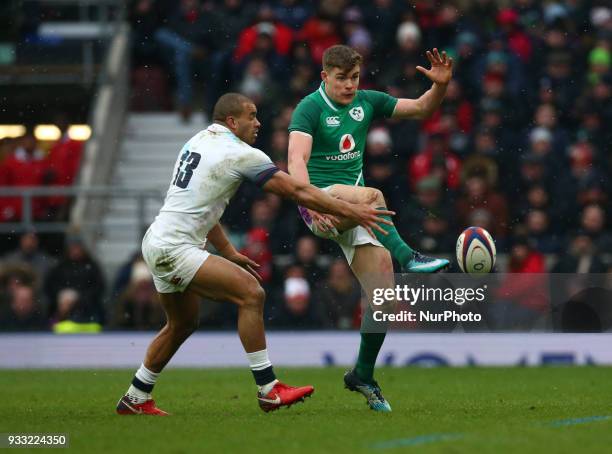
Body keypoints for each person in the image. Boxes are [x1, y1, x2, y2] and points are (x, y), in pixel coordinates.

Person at [116, 93, 394, 415]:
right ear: (232, 122)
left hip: (158, 239)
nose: (258, 122)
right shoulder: (239, 153)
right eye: (251, 116)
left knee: (181, 324)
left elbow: (202, 209)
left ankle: (136, 396)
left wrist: (229, 251)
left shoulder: (197, 142)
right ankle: (268, 389)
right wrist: (352, 210)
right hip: (176, 247)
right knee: (251, 294)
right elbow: (298, 191)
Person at [287, 44, 453, 411]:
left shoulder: (367, 101)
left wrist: (440, 86)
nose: (349, 86)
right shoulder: (309, 109)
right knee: (375, 195)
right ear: (325, 76)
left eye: (354, 78)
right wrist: (314, 204)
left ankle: (362, 374)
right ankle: (410, 257)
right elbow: (295, 162)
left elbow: (422, 107)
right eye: (342, 78)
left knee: (383, 301)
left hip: (355, 209)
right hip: (320, 201)